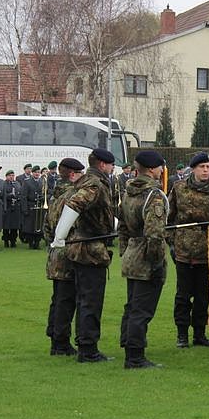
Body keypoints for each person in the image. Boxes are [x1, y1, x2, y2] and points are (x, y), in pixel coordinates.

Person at [50, 148, 117, 363]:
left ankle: (69, 344)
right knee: (90, 300)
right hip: (89, 249)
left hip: (79, 246)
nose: (113, 168)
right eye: (111, 164)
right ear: (103, 165)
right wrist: (60, 236)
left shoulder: (84, 182)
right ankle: (88, 349)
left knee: (72, 299)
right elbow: (75, 205)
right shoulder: (94, 183)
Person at [167, 151, 209, 349]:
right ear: (193, 169)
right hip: (183, 250)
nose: (206, 170)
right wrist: (172, 242)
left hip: (207, 251)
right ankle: (181, 335)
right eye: (202, 167)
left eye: (208, 167)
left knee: (203, 296)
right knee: (183, 296)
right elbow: (169, 217)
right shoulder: (179, 188)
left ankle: (199, 334)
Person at [118, 150, 169, 369]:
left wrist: (125, 250)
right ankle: (135, 356)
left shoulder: (128, 191)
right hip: (146, 255)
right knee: (142, 309)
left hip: (132, 252)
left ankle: (128, 344)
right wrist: (156, 262)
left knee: (132, 305)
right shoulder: (153, 195)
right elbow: (155, 233)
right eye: (160, 167)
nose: (161, 171)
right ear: (151, 169)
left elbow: (122, 225)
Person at [43, 158, 85, 356]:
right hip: (68, 251)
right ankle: (61, 342)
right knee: (66, 301)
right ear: (73, 174)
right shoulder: (72, 196)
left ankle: (55, 336)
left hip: (54, 252)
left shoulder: (55, 196)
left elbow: (46, 228)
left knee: (58, 298)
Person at [21, 166, 47, 249]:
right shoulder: (27, 182)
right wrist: (24, 209)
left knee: (39, 225)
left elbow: (45, 193)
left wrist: (43, 198)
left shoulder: (42, 182)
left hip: (39, 206)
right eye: (35, 172)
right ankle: (31, 243)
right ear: (32, 173)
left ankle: (37, 243)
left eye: (38, 172)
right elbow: (24, 196)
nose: (37, 174)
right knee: (30, 226)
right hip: (31, 206)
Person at [2, 170, 23, 248]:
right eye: (10, 175)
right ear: (6, 176)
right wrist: (9, 195)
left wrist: (17, 197)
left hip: (16, 207)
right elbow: (3, 195)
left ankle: (13, 241)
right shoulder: (4, 184)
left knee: (15, 226)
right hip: (8, 206)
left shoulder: (17, 184)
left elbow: (20, 193)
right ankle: (6, 241)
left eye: (12, 175)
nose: (11, 177)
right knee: (6, 226)